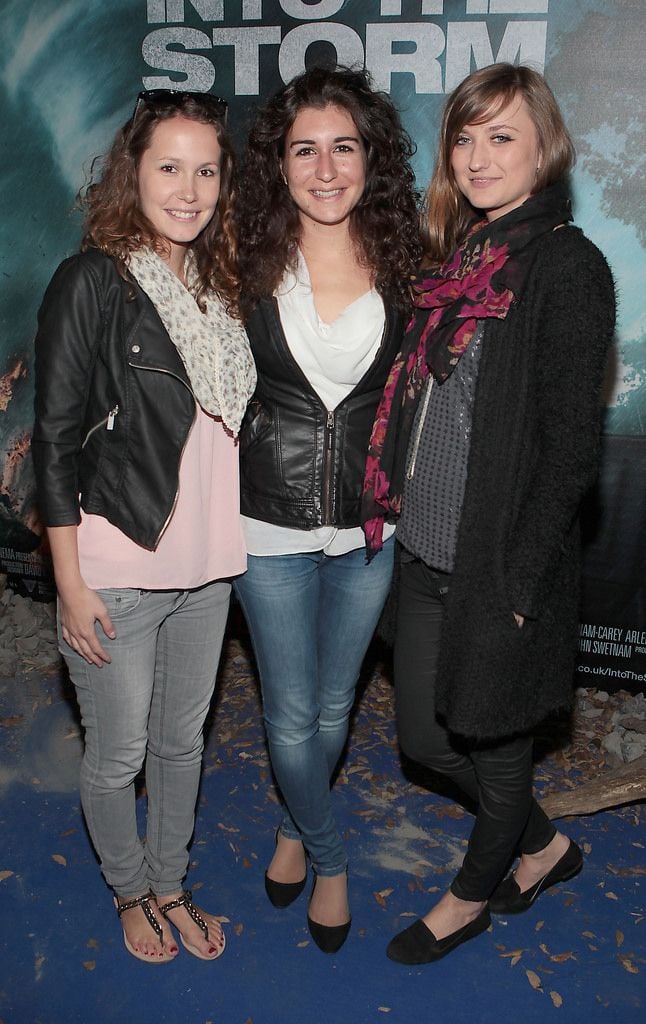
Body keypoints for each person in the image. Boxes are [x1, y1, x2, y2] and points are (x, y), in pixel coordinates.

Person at [362, 63, 616, 965]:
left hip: (498, 566)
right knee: (428, 739)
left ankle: (474, 891)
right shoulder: (465, 259)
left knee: (493, 743)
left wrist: (521, 577)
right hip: (428, 548)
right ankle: (546, 845)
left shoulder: (567, 267)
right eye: (464, 138)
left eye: (500, 136)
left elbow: (570, 447)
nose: (476, 156)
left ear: (543, 147)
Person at [32, 90, 256, 964]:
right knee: (117, 753)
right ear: (135, 171)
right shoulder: (95, 278)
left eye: (206, 170)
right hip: (116, 564)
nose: (189, 189)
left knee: (179, 743)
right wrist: (70, 581)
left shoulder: (220, 288)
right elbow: (53, 441)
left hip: (209, 566)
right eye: (170, 166)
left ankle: (171, 881)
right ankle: (129, 891)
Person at [233, 66, 421, 953]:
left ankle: (292, 820)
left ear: (369, 158)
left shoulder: (409, 261)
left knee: (337, 704)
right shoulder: (243, 259)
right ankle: (331, 852)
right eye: (304, 148)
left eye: (343, 146)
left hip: (370, 526)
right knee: (288, 711)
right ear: (279, 163)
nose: (324, 166)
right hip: (266, 522)